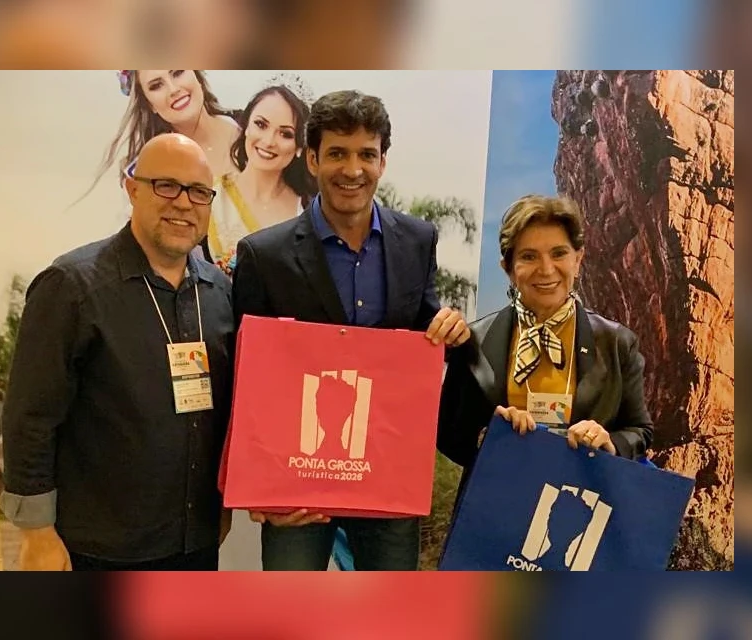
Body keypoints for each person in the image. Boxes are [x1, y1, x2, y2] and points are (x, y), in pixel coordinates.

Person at [231, 89, 471, 571]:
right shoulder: (263, 255)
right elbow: (246, 377)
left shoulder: (417, 240)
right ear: (312, 159)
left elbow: (423, 330)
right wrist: (255, 486)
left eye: (366, 154)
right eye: (338, 153)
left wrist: (450, 329)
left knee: (389, 607)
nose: (353, 169)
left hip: (386, 474)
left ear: (383, 161)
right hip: (296, 482)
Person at [0, 133, 235, 571]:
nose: (184, 203)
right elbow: (30, 417)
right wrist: (36, 532)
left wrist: (221, 505)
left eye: (199, 192)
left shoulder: (219, 292)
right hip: (98, 546)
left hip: (195, 541)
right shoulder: (72, 287)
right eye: (167, 185)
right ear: (132, 189)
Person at [437, 195, 654, 473]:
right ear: (508, 269)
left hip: (581, 495)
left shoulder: (617, 343)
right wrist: (489, 437)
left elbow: (640, 431)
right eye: (529, 256)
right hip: (498, 494)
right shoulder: (474, 341)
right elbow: (448, 434)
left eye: (559, 253)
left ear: (578, 260)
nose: (546, 269)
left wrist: (609, 442)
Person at [207, 83, 317, 274]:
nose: (268, 141)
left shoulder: (310, 209)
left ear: (299, 146)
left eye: (285, 134)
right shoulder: (210, 197)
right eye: (261, 125)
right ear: (246, 127)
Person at [94, 70, 241, 192]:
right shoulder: (150, 172)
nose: (173, 89)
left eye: (178, 72)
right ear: (149, 104)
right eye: (156, 85)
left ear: (197, 75)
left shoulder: (249, 126)